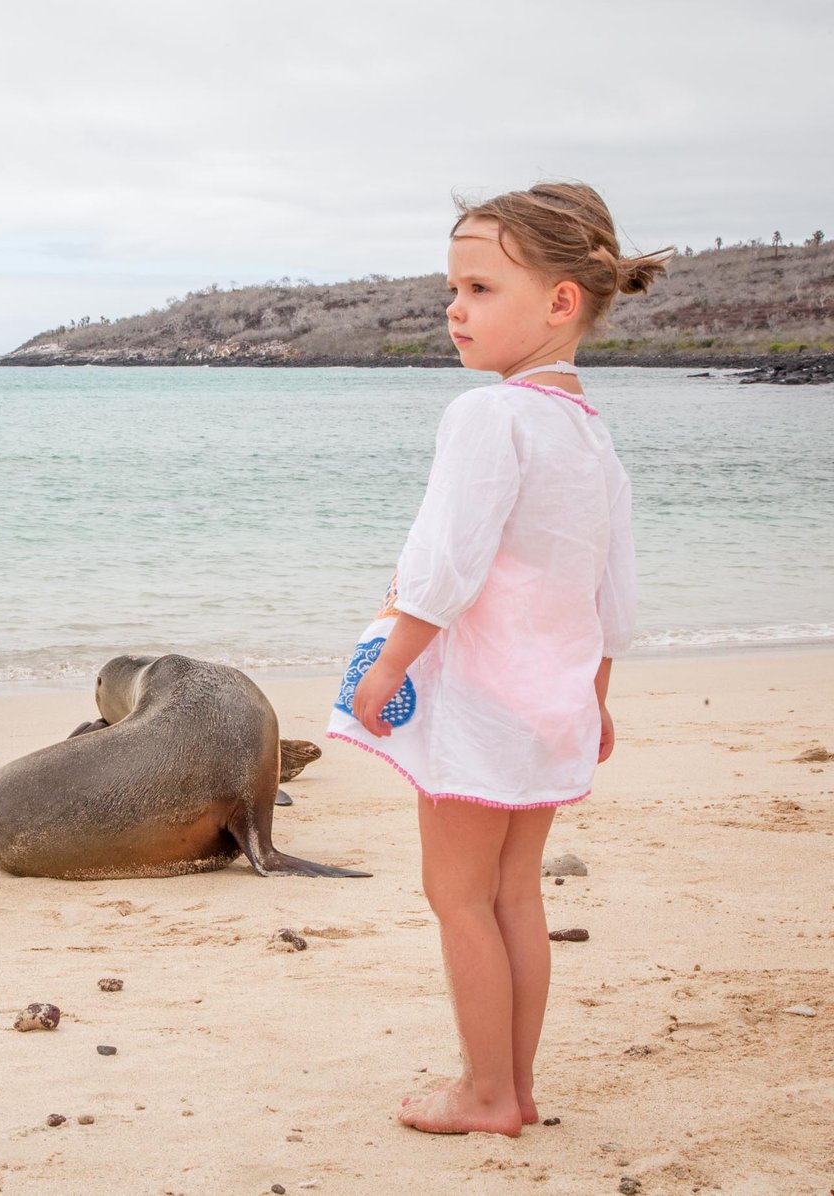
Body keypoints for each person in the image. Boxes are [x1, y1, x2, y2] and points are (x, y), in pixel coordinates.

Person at [325, 182, 672, 1136]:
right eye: (454, 287)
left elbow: (446, 566)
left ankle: (487, 1095)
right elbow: (613, 597)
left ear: (561, 302)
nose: (454, 307)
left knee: (457, 896)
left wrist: (390, 665)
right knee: (514, 893)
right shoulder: (591, 437)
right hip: (548, 702)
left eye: (479, 287)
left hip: (479, 697)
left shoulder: (490, 417)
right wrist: (594, 699)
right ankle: (513, 1088)